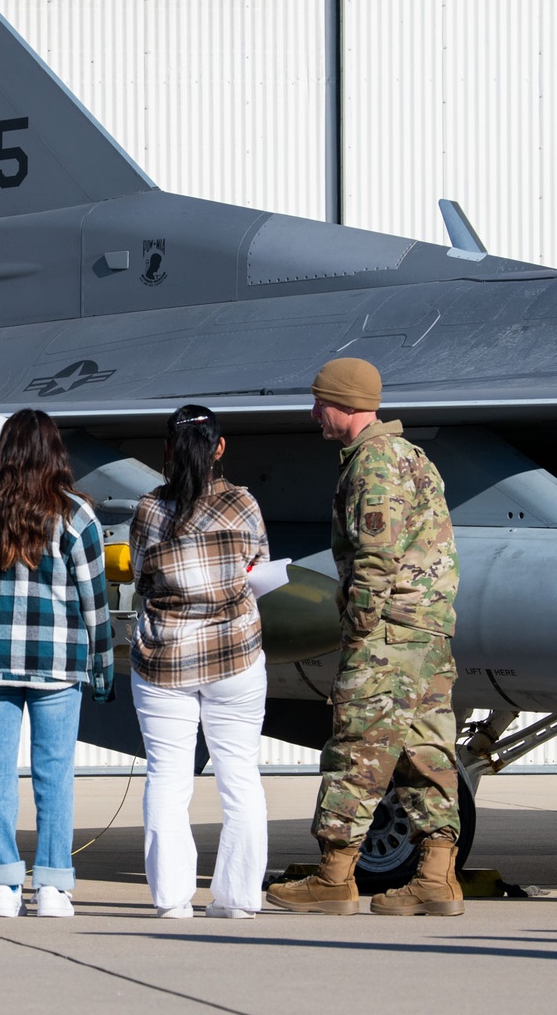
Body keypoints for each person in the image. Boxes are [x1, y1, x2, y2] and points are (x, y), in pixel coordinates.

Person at [267, 357, 464, 917]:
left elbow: (375, 559)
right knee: (424, 750)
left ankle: (333, 878)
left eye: (318, 402)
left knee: (356, 746)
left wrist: (357, 631)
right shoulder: (408, 457)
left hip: (388, 634)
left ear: (343, 404)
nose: (313, 413)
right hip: (425, 633)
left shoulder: (374, 464)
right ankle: (436, 877)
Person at [0, 408, 114, 919]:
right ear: (55, 454)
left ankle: (2, 886)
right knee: (54, 773)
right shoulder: (77, 517)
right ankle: (54, 887)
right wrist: (101, 667)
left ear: (4, 452)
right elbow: (94, 602)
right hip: (57, 664)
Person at [130, 404, 270, 920]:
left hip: (164, 660)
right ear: (220, 447)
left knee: (168, 778)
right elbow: (257, 566)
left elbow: (143, 579)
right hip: (235, 655)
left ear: (167, 450)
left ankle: (172, 900)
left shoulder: (150, 508)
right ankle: (238, 899)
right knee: (240, 776)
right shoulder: (244, 504)